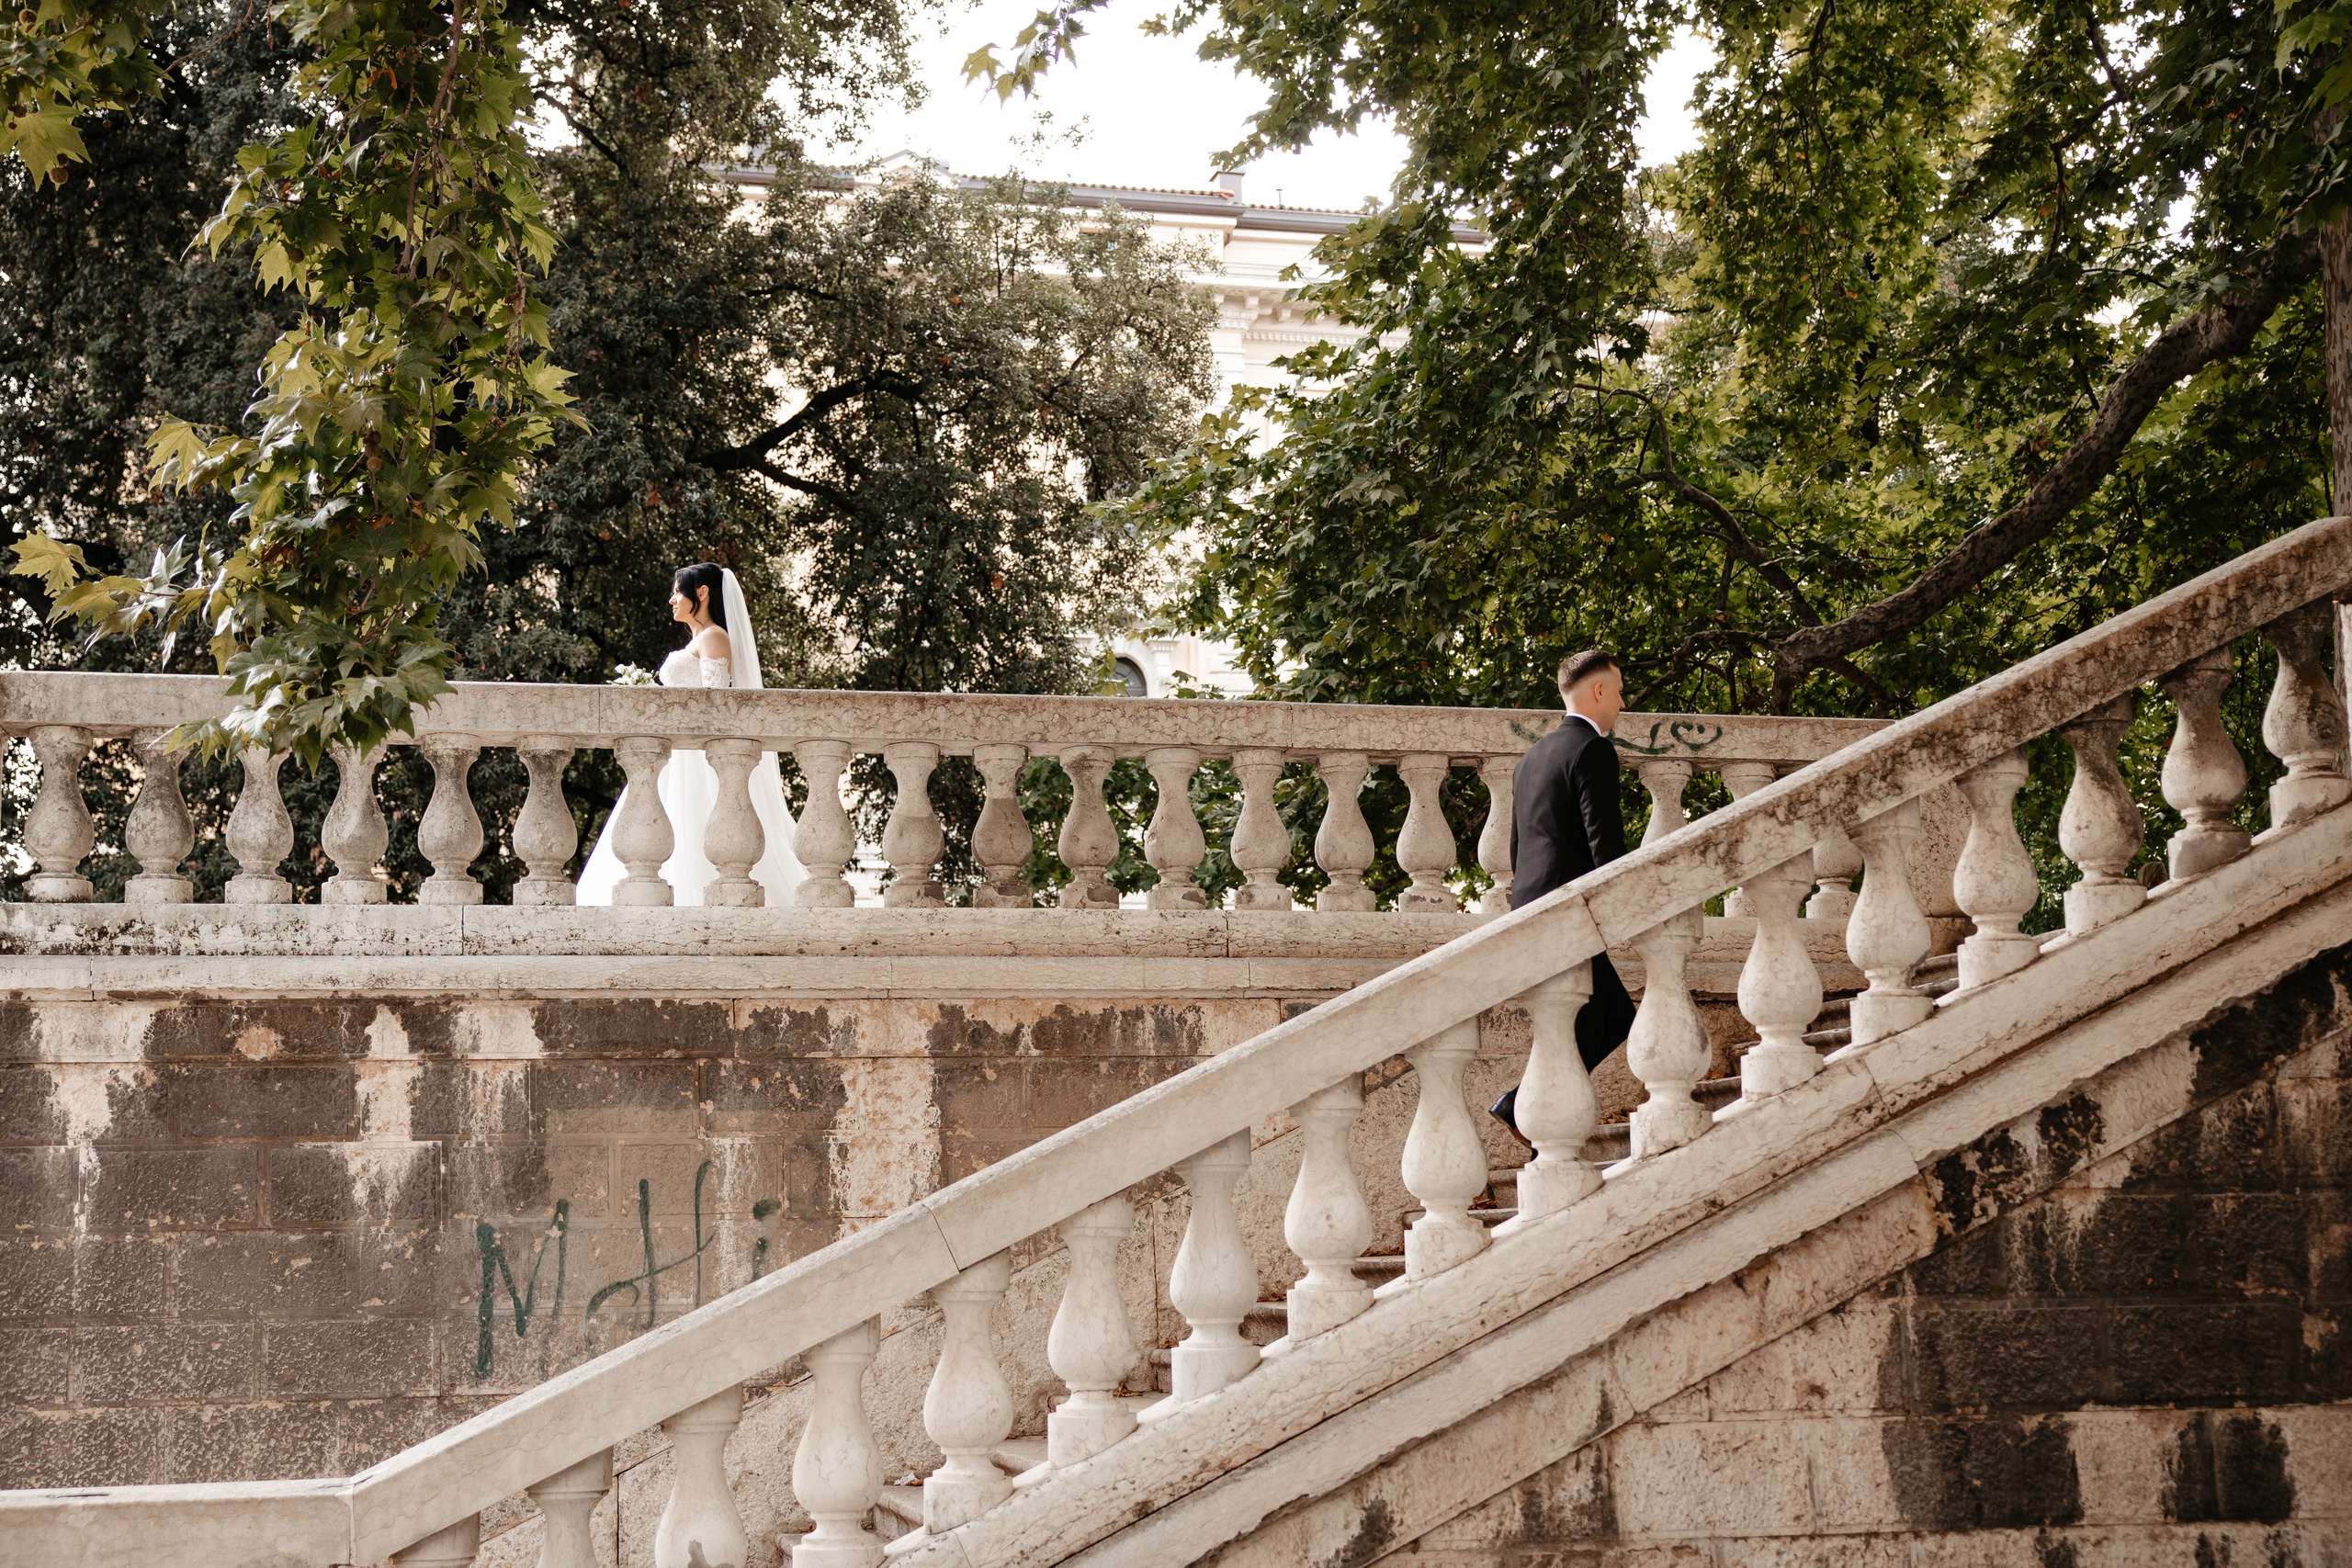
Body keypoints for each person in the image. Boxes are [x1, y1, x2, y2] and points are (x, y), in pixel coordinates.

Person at [576, 563, 805, 906]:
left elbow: (715, 701)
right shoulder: (700, 638)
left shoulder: (714, 636)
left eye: (677, 591)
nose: (671, 600)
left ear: (702, 593)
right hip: (677, 753)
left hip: (695, 758)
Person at [1491, 649, 1638, 1138]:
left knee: (1595, 1022)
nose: (1621, 703)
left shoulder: (1532, 757)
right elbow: (1606, 846)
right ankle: (1525, 1112)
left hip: (1533, 910)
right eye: (1618, 692)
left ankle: (1526, 1115)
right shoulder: (1592, 749)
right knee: (1609, 1019)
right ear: (1598, 691)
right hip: (1570, 914)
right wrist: (1623, 913)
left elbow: (1517, 848)